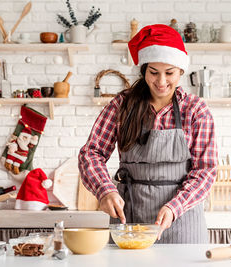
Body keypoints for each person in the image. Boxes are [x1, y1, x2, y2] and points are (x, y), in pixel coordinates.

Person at [78, 24, 218, 244]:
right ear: (144, 70)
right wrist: (105, 190)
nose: (161, 82)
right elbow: (91, 153)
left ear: (181, 71)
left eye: (169, 73)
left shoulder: (195, 110)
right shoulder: (121, 105)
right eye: (154, 72)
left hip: (182, 221)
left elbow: (205, 171)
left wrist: (175, 207)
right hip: (130, 218)